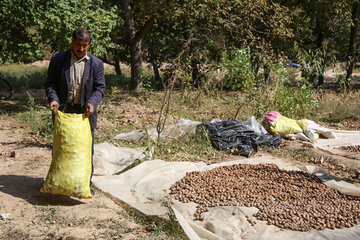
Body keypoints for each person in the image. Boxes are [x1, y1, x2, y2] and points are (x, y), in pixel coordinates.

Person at [45, 28, 105, 195]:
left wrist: (92, 103)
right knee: (62, 147)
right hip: (63, 111)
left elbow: (100, 88)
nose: (81, 49)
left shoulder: (96, 64)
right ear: (72, 42)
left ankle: (85, 185)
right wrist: (54, 99)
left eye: (85, 46)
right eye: (79, 45)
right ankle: (58, 184)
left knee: (86, 149)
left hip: (85, 113)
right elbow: (50, 83)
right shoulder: (58, 60)